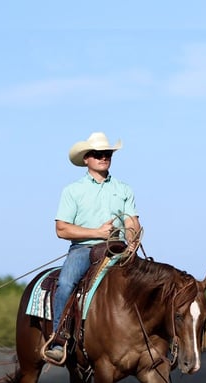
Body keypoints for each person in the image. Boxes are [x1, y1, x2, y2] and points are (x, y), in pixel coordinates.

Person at [45, 132, 140, 362]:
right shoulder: (72, 191)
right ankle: (59, 339)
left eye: (107, 153)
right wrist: (96, 233)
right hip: (83, 249)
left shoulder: (123, 189)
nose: (103, 157)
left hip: (118, 248)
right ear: (86, 159)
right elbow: (62, 229)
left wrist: (133, 239)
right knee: (66, 283)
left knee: (147, 282)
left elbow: (132, 222)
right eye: (97, 154)